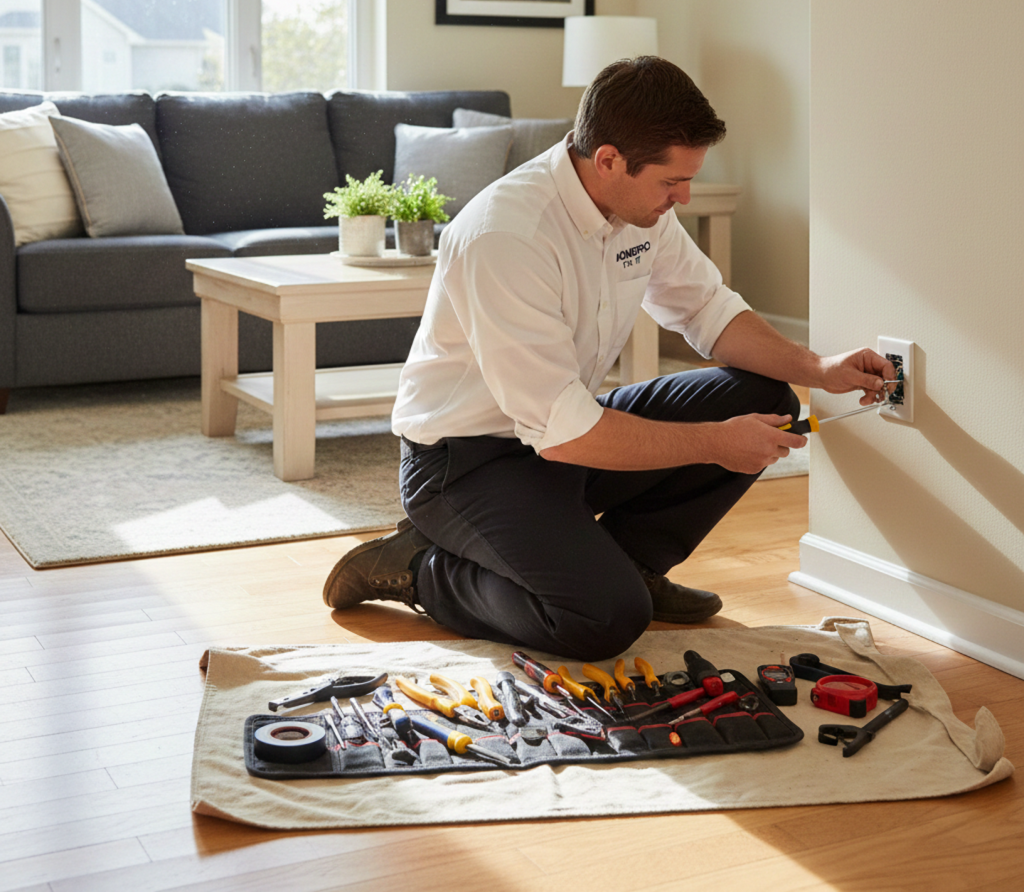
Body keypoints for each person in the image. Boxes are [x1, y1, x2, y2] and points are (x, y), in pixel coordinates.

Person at [323, 56, 893, 660]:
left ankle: (632, 564)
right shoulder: (506, 236)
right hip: (466, 462)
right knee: (605, 619)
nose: (685, 196)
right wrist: (714, 443)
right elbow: (566, 434)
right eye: (672, 182)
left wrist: (819, 370)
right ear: (609, 160)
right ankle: (419, 568)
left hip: (561, 429)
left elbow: (707, 309)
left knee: (764, 397)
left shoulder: (637, 209)